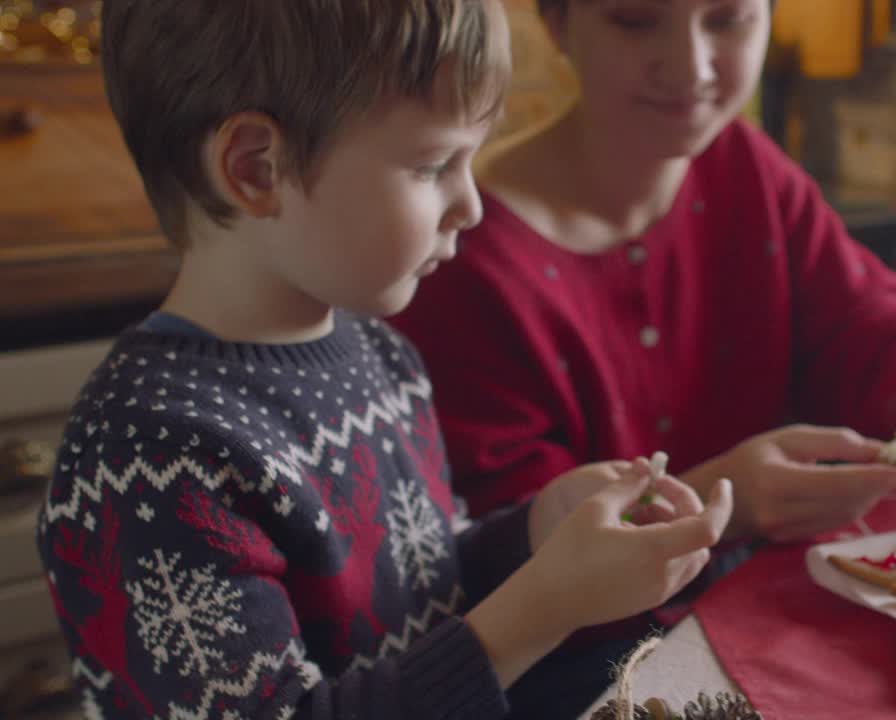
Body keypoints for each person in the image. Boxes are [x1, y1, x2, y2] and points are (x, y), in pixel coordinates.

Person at [36, 2, 733, 719]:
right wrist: (545, 607)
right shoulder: (151, 454)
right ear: (255, 169)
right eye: (434, 165)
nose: (472, 205)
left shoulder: (381, 355)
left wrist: (537, 532)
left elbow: (426, 587)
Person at [393, 0, 896, 551]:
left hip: (777, 600)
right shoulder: (459, 252)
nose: (690, 67)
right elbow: (504, 544)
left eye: (727, 18)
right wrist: (718, 504)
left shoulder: (747, 166)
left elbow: (865, 321)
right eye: (635, 21)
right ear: (558, 23)